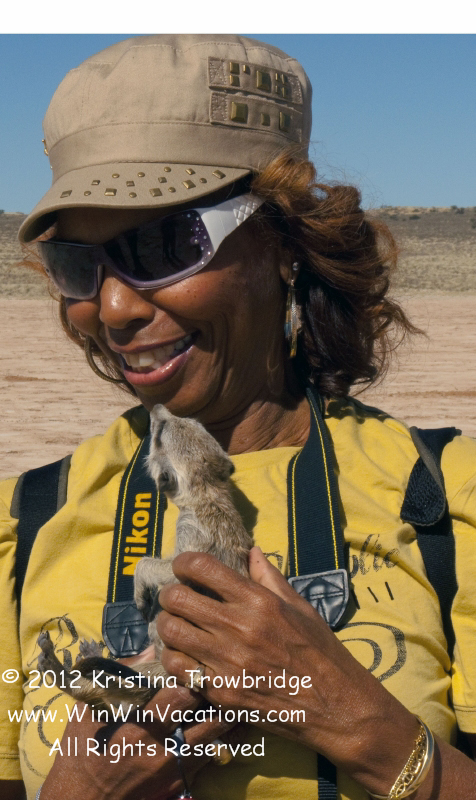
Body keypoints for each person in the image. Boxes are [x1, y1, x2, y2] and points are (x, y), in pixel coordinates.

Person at [1, 34, 475, 800]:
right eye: (77, 265)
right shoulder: (23, 525)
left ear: (284, 244)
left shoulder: (448, 502)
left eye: (163, 244)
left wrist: (357, 725)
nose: (114, 308)